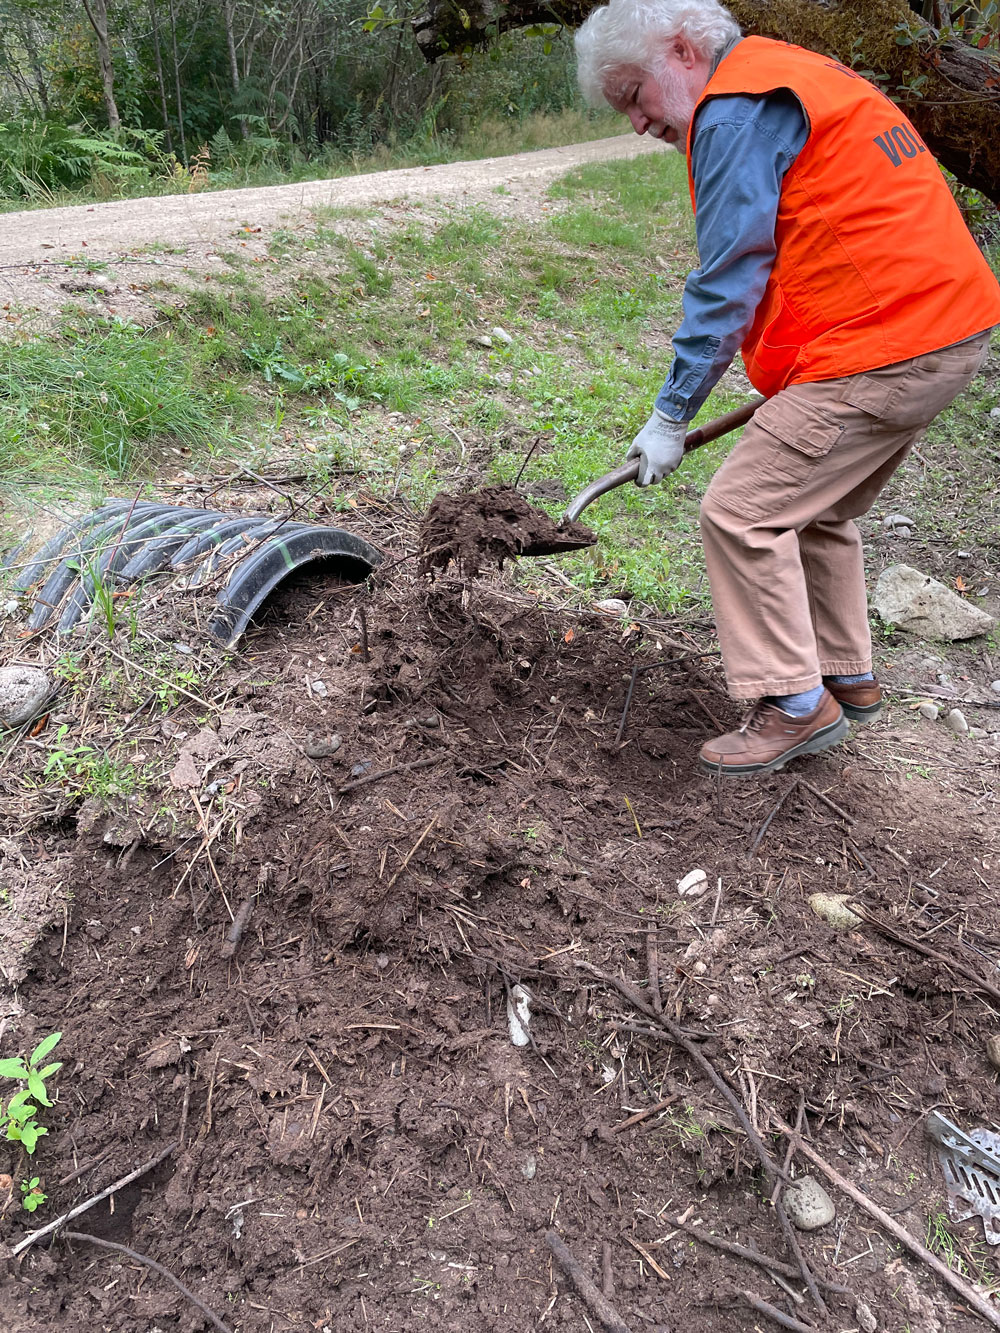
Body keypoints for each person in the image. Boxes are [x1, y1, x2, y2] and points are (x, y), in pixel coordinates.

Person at [574, 0, 1000, 777]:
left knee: (741, 514)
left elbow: (728, 278)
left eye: (634, 95)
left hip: (885, 341)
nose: (636, 122)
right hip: (945, 325)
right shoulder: (793, 71)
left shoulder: (737, 109)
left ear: (680, 48)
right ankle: (846, 674)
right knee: (819, 505)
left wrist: (670, 414)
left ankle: (795, 704)